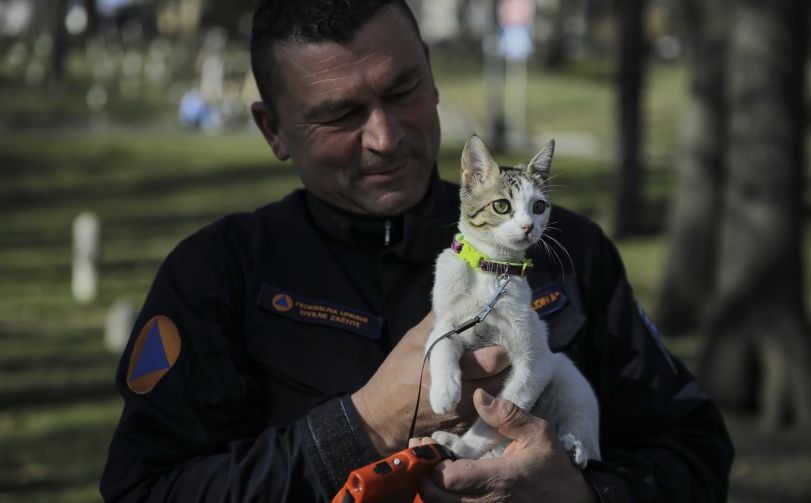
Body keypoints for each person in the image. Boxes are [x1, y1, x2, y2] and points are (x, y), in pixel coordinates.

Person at [100, 1, 733, 501]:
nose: (384, 136)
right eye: (340, 115)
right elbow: (146, 490)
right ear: (274, 130)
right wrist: (359, 429)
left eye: (402, 91)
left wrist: (586, 494)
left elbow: (695, 449)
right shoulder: (218, 276)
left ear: (430, 74)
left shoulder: (567, 251)